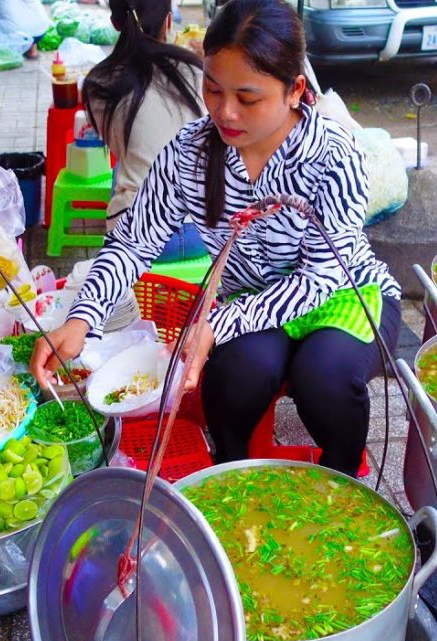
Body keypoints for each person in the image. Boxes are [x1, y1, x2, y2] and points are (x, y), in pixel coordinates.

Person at [31, 0, 401, 477]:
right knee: (232, 375)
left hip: (343, 293)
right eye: (212, 88)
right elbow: (132, 243)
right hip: (247, 297)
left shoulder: (336, 155)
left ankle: (344, 482)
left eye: (248, 98)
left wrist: (217, 325)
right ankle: (229, 478)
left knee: (325, 378)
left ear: (295, 91)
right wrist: (82, 320)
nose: (225, 112)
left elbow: (320, 277)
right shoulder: (191, 152)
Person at [81, 0, 207, 261]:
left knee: (122, 167)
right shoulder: (200, 70)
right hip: (205, 233)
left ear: (116, 23)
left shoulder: (99, 83)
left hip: (140, 236)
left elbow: (120, 146)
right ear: (169, 21)